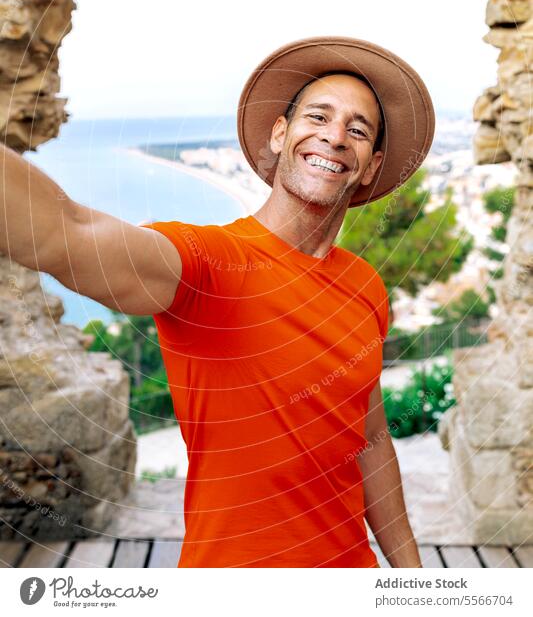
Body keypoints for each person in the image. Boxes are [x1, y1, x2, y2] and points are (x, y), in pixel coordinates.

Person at [0, 35, 434, 568]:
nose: (335, 137)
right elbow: (66, 229)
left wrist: (414, 581)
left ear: (370, 165)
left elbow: (368, 437)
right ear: (281, 134)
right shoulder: (208, 264)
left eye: (357, 129)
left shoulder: (365, 285)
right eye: (318, 117)